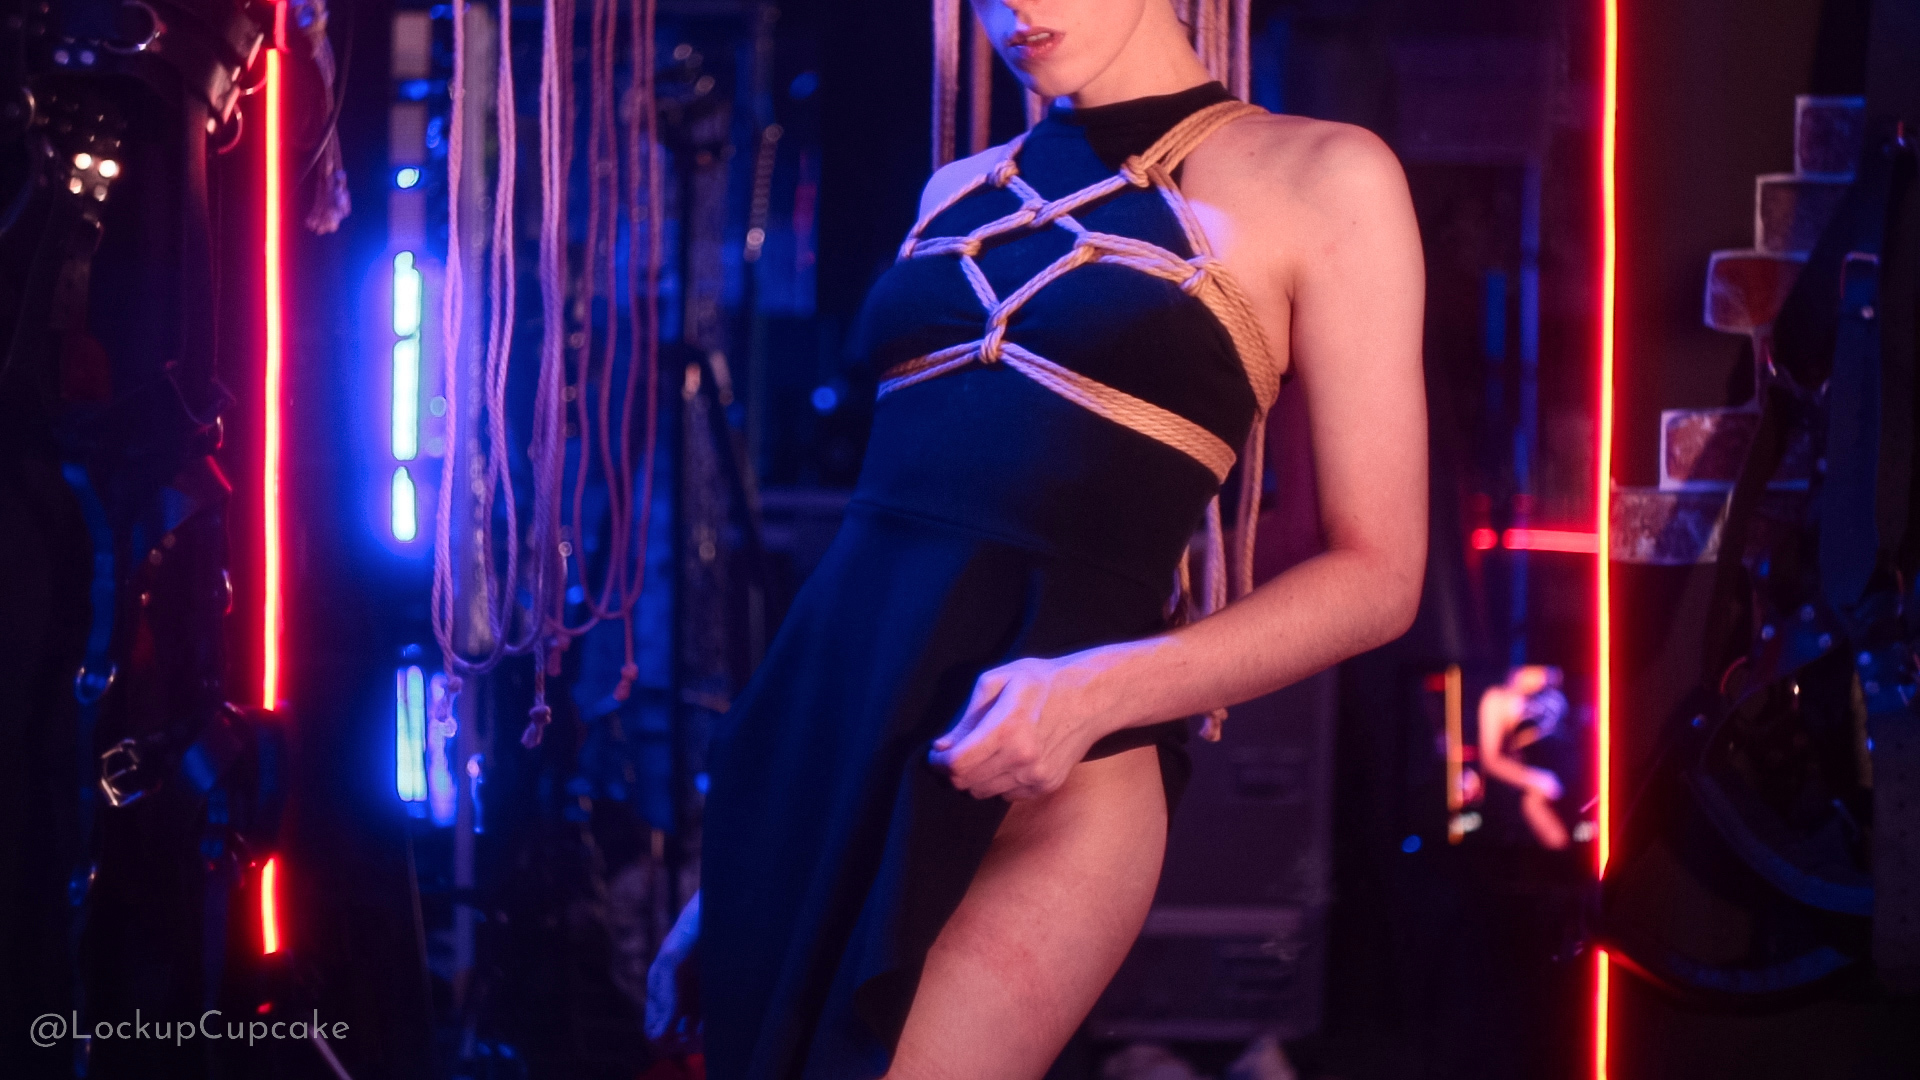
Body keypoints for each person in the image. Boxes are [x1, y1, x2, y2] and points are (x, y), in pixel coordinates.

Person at [651, 1, 1427, 1075]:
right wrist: (738, 866)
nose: (1015, 6)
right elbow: (885, 530)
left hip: (1065, 764)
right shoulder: (953, 192)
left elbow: (1379, 577)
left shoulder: (1326, 179)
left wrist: (1095, 694)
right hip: (828, 739)